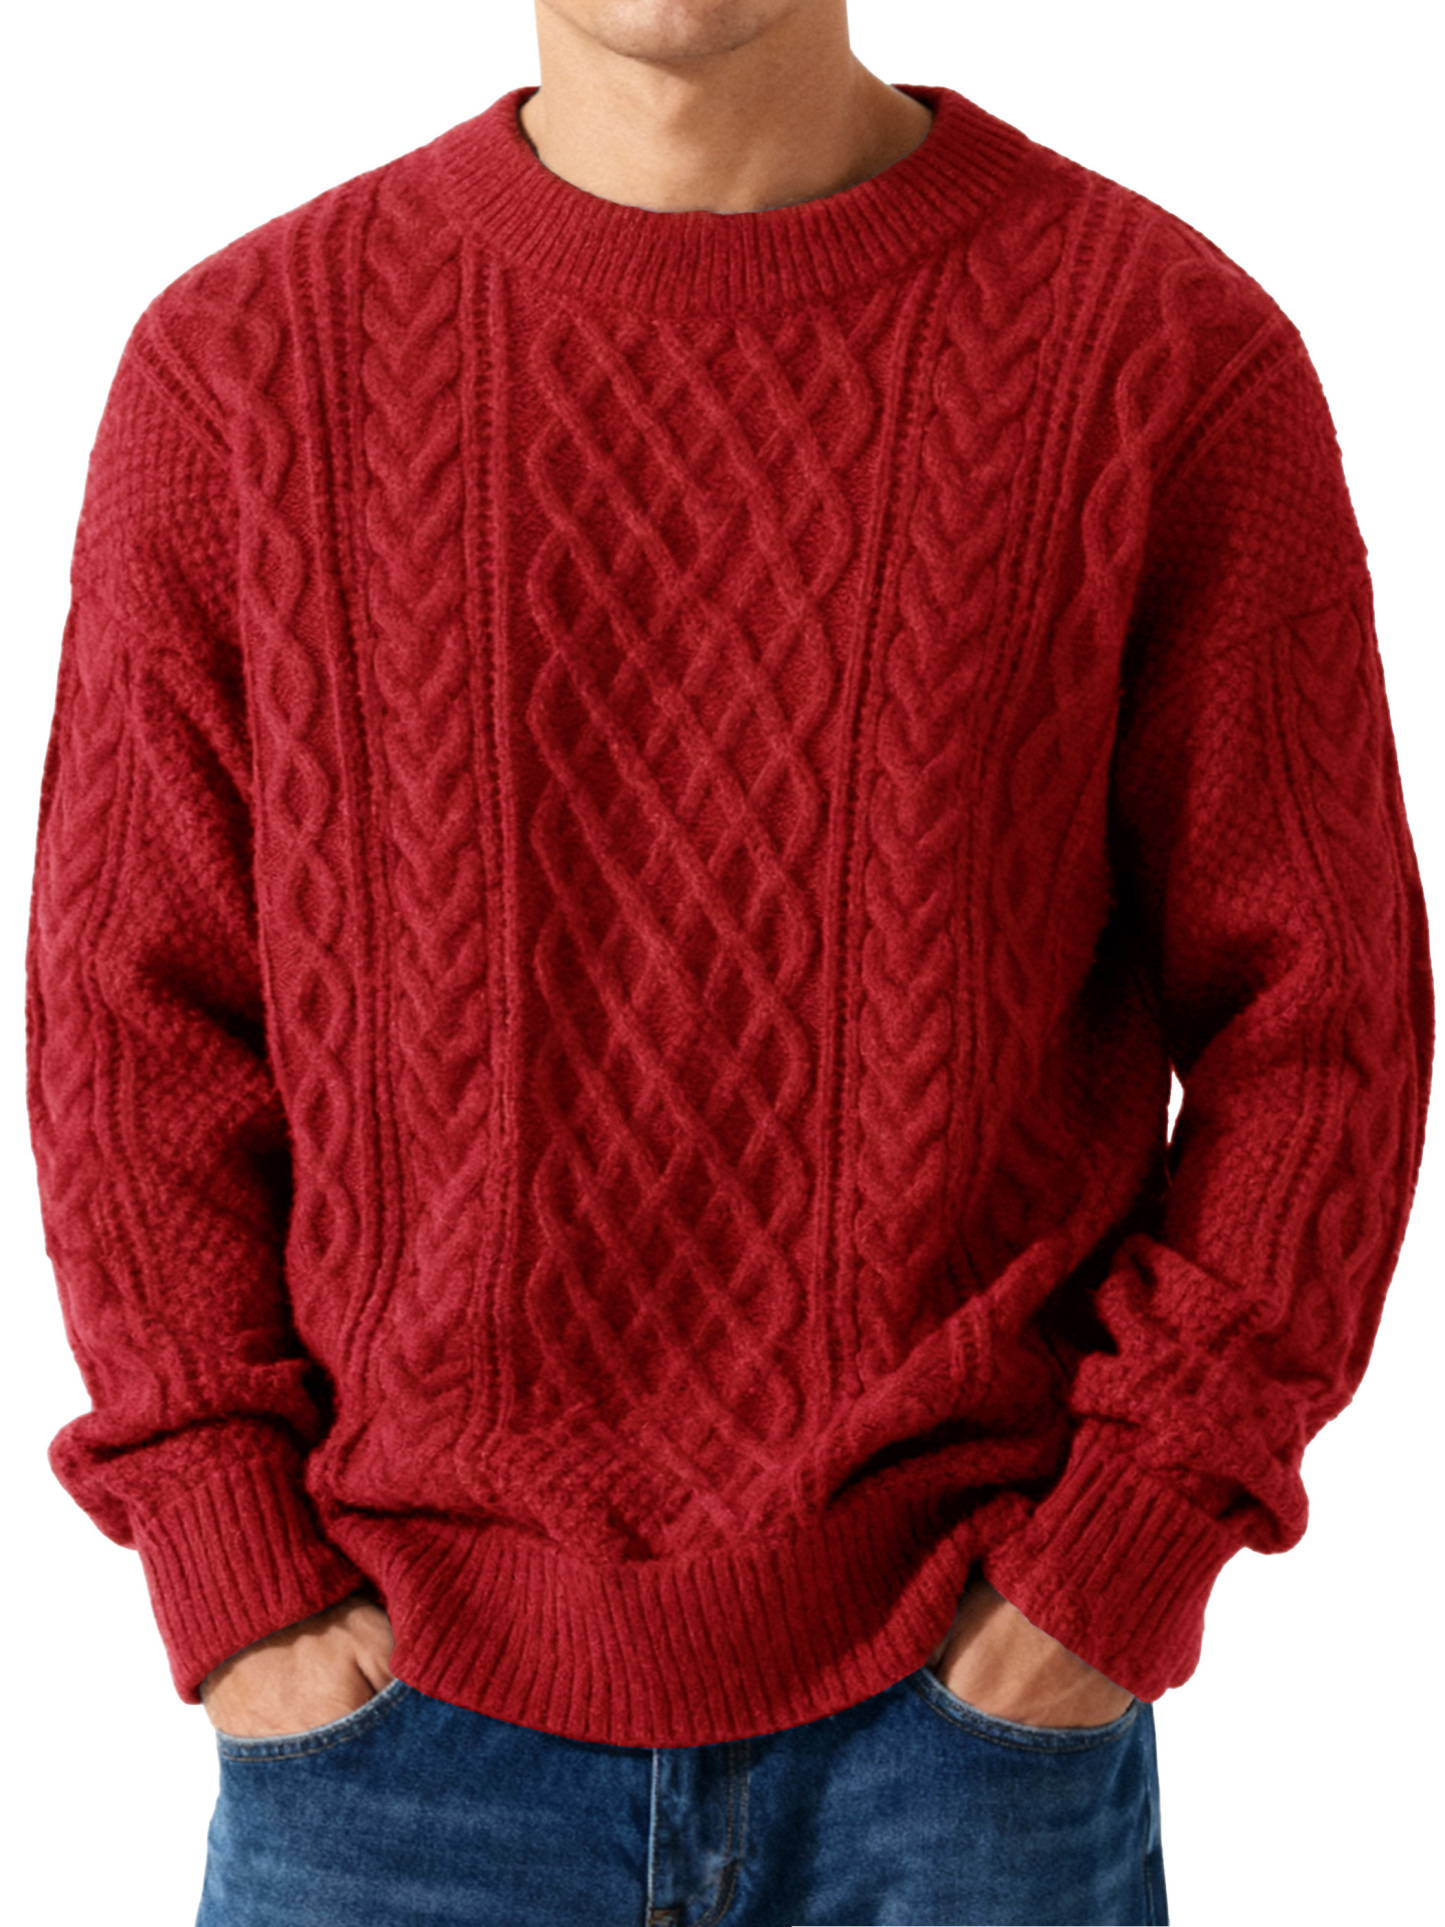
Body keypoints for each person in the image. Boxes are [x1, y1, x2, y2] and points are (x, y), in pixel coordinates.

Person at [24, 1, 1433, 1923]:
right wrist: (233, 1570)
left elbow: (1322, 1017)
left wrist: (1121, 1551)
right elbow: (128, 1021)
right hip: (388, 1752)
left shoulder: (1159, 353)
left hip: (965, 1750)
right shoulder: (241, 371)